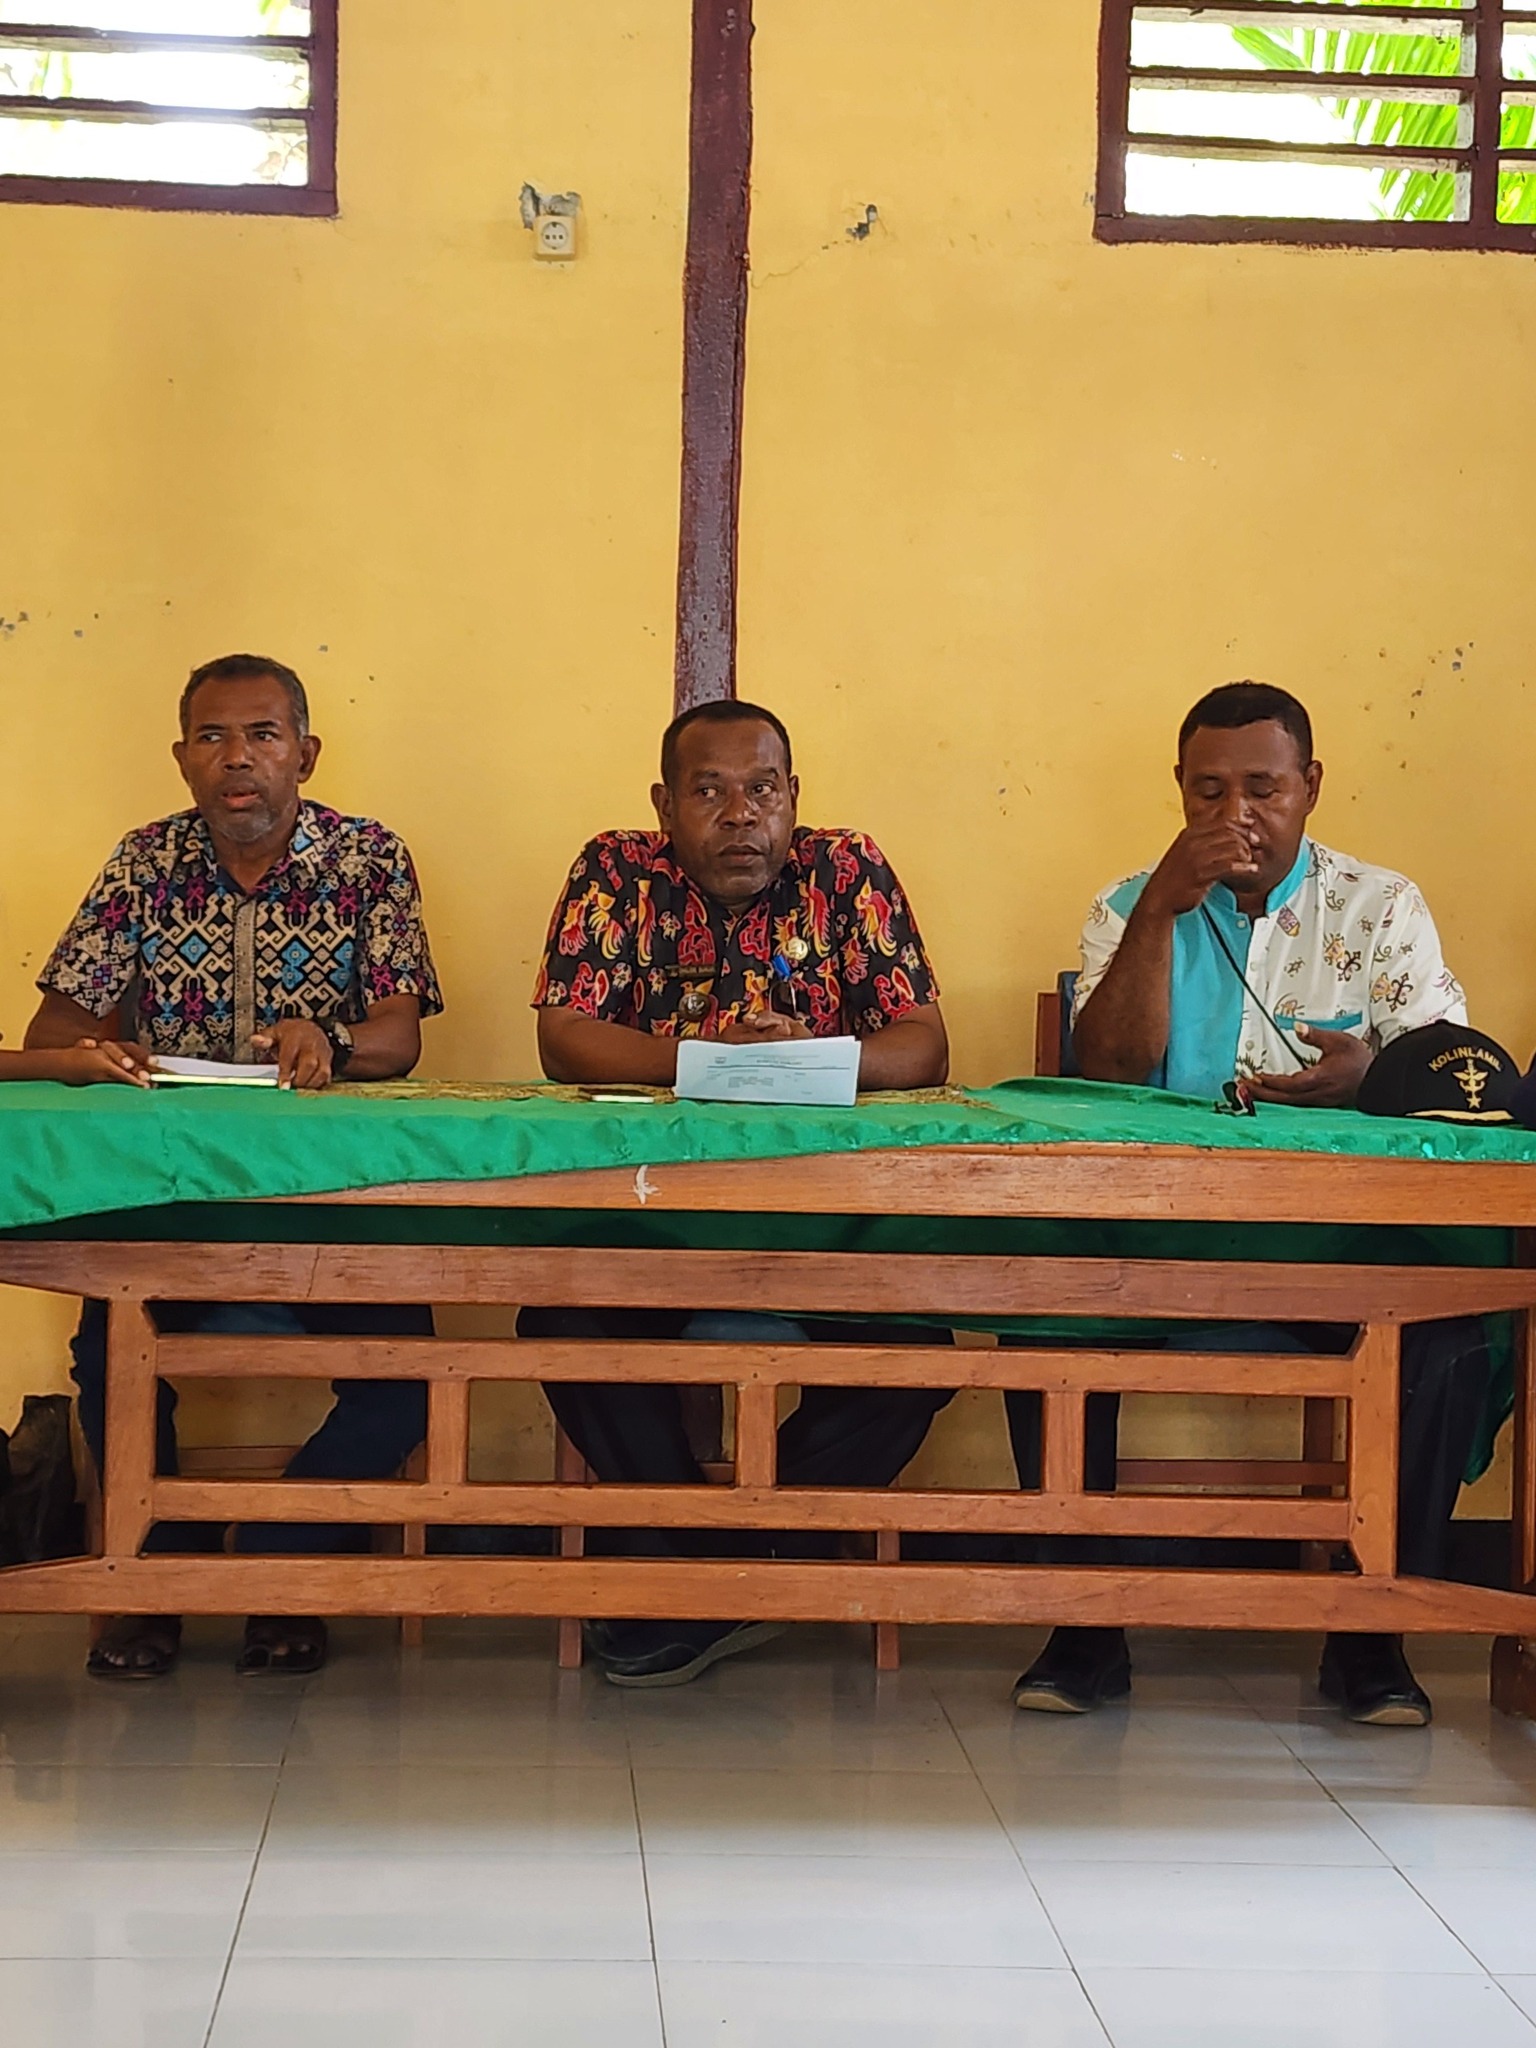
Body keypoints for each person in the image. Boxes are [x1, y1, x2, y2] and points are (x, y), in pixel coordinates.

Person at [1011, 681, 1482, 1728]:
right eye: (1208, 792)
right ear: (1178, 791)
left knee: (1448, 1332)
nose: (1237, 816)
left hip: (1339, 1245)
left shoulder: (1381, 906)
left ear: (1310, 785)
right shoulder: (1127, 903)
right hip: (1157, 1238)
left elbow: (1452, 1085)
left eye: (1263, 789)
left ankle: (1372, 1632)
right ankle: (1081, 1623)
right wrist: (1162, 911)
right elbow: (1109, 1070)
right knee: (1043, 1304)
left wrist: (1369, 1077)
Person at [25, 653, 443, 1679]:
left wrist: (328, 1039)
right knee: (107, 1358)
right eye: (212, 738)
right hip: (175, 1198)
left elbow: (398, 1038)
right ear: (182, 758)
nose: (237, 758)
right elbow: (54, 1035)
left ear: (306, 751)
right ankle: (157, 1573)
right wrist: (98, 1054)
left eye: (262, 735)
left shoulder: (367, 858)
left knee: (407, 1379)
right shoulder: (144, 862)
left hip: (330, 1203)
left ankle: (277, 1554)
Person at [524, 698, 952, 1685]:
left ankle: (705, 1572)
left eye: (762, 790)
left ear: (793, 796)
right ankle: (738, 1568)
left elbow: (923, 1046)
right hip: (653, 1227)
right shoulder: (616, 872)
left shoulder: (847, 871)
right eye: (709, 791)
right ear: (664, 804)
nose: (740, 814)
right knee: (560, 1321)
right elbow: (565, 1038)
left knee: (919, 1352)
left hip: (824, 1232)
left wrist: (807, 1059)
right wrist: (706, 1057)